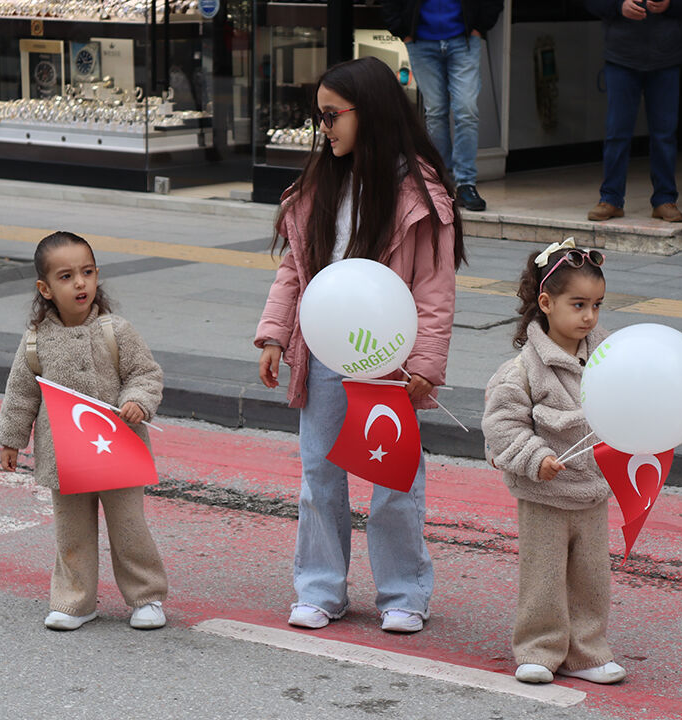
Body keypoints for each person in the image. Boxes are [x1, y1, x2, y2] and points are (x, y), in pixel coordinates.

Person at [255, 57, 464, 634]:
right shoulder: (319, 184)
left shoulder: (420, 193)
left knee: (394, 477)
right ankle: (320, 589)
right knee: (320, 473)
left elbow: (435, 289)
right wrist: (274, 334)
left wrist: (424, 364)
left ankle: (404, 593)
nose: (323, 128)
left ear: (367, 113)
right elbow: (295, 269)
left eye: (331, 115)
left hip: (388, 359)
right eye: (318, 116)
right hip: (322, 353)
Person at [0, 232, 168, 632]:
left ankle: (147, 596)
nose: (80, 283)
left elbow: (145, 372)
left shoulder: (116, 330)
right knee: (71, 533)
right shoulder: (36, 341)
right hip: (65, 457)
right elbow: (21, 393)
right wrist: (11, 440)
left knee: (129, 528)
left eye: (87, 273)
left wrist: (138, 400)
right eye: (67, 276)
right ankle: (74, 601)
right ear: (46, 289)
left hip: (118, 448)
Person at [481, 238, 626, 685]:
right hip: (544, 493)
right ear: (546, 303)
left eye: (597, 305)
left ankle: (586, 652)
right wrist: (537, 456)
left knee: (591, 578)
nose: (589, 316)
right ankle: (539, 648)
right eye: (578, 304)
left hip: (592, 492)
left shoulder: (611, 358)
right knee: (543, 576)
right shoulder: (522, 370)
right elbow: (501, 428)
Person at [383, 0, 505, 212]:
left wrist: (479, 27)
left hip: (464, 39)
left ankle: (466, 183)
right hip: (421, 41)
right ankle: (441, 181)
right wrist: (403, 32)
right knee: (436, 112)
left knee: (466, 111)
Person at [585, 0, 682, 224]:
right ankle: (610, 199)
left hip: (666, 57)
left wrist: (670, 5)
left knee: (664, 134)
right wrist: (619, 6)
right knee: (617, 132)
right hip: (621, 56)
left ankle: (665, 200)